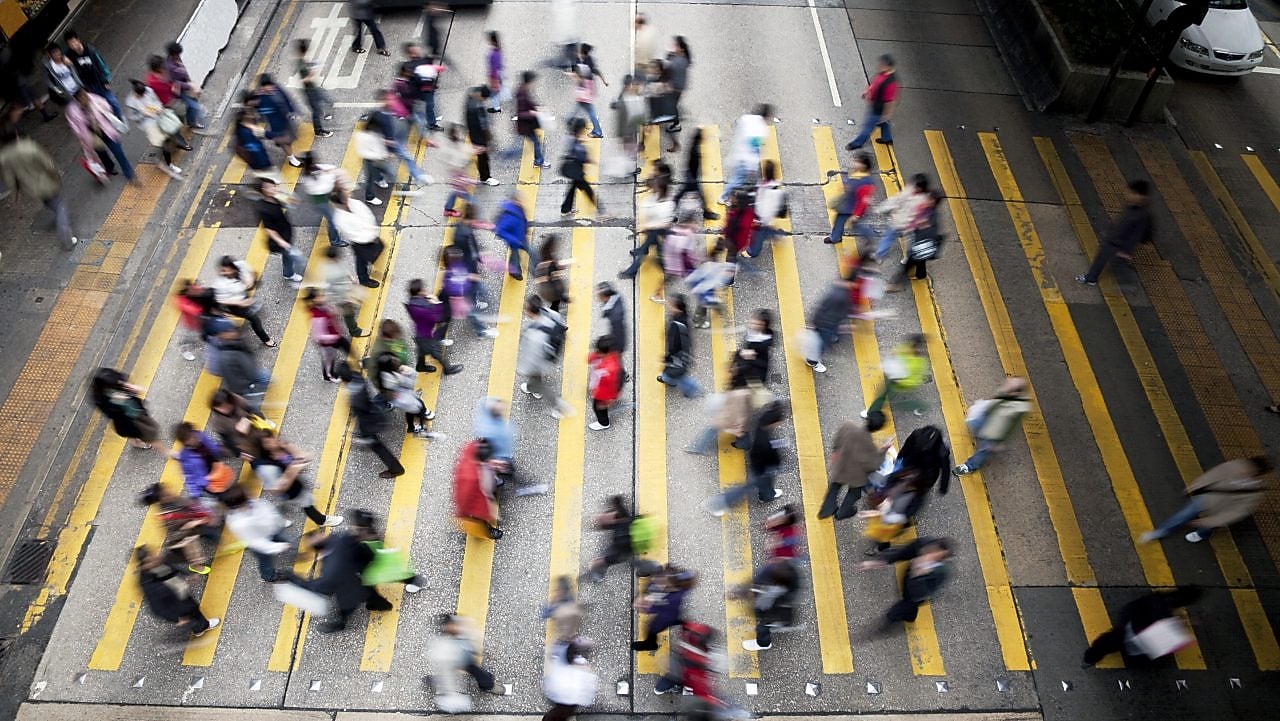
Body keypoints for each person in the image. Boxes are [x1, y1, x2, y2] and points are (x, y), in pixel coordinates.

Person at [293, 509, 394, 633]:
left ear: (316, 550)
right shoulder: (339, 538)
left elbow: (322, 586)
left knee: (346, 608)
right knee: (372, 596)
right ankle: (382, 606)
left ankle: (340, 624)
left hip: (351, 589)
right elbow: (361, 548)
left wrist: (294, 579)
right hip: (362, 575)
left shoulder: (329, 568)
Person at [1140, 457, 1271, 544]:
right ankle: (1161, 531)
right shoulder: (1234, 466)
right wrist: (1195, 486)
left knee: (1208, 526)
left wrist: (1211, 521)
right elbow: (1212, 476)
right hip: (1207, 498)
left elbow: (1236, 512)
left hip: (1221, 510)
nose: (1244, 469)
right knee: (1183, 515)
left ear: (1257, 473)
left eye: (1249, 469)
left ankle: (1202, 534)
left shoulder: (1254, 493)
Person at [1081, 587, 1202, 667]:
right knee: (1114, 644)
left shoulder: (1157, 603)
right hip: (1139, 635)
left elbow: (1142, 605)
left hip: (1132, 626)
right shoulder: (1163, 614)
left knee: (1108, 642)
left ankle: (1091, 657)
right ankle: (1092, 656)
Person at [706, 401, 786, 516]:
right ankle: (718, 503)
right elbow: (770, 455)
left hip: (757, 461)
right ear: (774, 422)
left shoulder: (761, 422)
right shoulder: (766, 441)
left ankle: (767, 495)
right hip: (762, 467)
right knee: (747, 487)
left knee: (763, 483)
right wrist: (777, 464)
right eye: (779, 421)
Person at [0, 130, 76, 248]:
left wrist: (16, 193)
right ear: (16, 135)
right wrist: (56, 174)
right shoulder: (29, 146)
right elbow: (47, 164)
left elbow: (9, 178)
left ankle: (60, 216)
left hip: (30, 188)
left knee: (50, 201)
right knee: (60, 205)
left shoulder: (3, 157)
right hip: (46, 182)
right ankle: (66, 237)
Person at [252, 431, 344, 528]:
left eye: (272, 438)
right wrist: (292, 470)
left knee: (306, 497)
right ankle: (322, 521)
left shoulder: (279, 446)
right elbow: (277, 489)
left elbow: (300, 456)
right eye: (268, 442)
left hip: (296, 480)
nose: (273, 441)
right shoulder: (267, 467)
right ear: (262, 447)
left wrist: (294, 454)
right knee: (307, 502)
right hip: (291, 490)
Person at [858, 536, 952, 628]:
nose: (929, 554)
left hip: (916, 595)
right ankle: (910, 616)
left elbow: (924, 593)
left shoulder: (941, 572)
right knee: (908, 603)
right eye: (932, 550)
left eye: (936, 554)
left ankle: (891, 620)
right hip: (907, 582)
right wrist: (878, 562)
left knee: (896, 612)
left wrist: (918, 573)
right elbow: (902, 553)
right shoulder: (922, 544)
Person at [1075, 179, 1154, 286]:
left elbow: (1135, 236)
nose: (1128, 195)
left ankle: (1093, 278)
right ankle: (1091, 278)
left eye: (1132, 193)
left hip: (1118, 243)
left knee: (1109, 260)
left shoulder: (1141, 215)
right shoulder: (1132, 206)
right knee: (1102, 258)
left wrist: (1126, 251)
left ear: (1141, 197)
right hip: (1114, 239)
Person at [953, 378, 1031, 476]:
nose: (1005, 386)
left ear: (1015, 393)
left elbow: (1009, 427)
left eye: (1009, 386)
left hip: (994, 432)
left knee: (983, 449)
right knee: (973, 424)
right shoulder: (1007, 392)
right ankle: (979, 435)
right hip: (987, 418)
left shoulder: (1018, 409)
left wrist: (999, 442)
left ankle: (969, 466)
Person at [338, 363, 404, 479]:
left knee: (377, 446)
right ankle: (364, 440)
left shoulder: (356, 398)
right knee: (372, 442)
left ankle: (396, 468)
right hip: (373, 414)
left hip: (370, 422)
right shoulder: (357, 376)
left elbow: (361, 410)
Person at [135, 545, 219, 636]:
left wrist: (187, 575)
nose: (156, 558)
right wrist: (176, 619)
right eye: (151, 559)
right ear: (145, 565)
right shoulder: (148, 583)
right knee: (192, 612)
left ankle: (199, 626)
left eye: (153, 555)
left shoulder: (157, 563)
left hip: (179, 592)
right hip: (175, 603)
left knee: (193, 607)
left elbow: (173, 569)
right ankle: (201, 628)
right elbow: (157, 609)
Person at [819, 410, 887, 520]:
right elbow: (873, 465)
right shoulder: (870, 446)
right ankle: (842, 512)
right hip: (856, 475)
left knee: (834, 487)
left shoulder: (848, 426)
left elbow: (836, 441)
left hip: (841, 465)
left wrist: (835, 452)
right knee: (854, 493)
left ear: (867, 419)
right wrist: (883, 450)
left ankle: (826, 510)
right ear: (878, 429)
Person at [372, 323, 439, 436]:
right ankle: (420, 414)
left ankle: (417, 416)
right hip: (394, 389)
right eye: (394, 336)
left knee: (411, 403)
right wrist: (390, 393)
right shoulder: (382, 357)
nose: (397, 338)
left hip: (396, 384)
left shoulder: (392, 352)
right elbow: (380, 378)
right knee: (411, 403)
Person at [140, 483, 216, 575]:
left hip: (190, 526)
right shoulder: (168, 514)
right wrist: (196, 522)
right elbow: (180, 533)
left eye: (165, 490)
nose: (167, 492)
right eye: (164, 493)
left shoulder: (171, 500)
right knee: (192, 551)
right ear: (161, 498)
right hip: (182, 538)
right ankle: (195, 566)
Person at [222, 483, 291, 582]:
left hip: (271, 530)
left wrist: (279, 522)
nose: (249, 495)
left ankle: (286, 548)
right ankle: (268, 576)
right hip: (261, 540)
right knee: (264, 559)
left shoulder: (251, 503)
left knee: (281, 540)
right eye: (246, 495)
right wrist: (278, 547)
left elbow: (267, 509)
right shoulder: (239, 523)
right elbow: (257, 543)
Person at [685, 359, 755, 456]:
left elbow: (738, 411)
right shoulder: (747, 386)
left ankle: (697, 447)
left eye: (735, 368)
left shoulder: (739, 393)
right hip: (739, 414)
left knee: (712, 428)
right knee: (742, 432)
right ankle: (744, 444)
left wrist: (738, 426)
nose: (732, 369)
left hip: (731, 416)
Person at [429, 614, 497, 712]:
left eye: (453, 625)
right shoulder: (444, 646)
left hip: (466, 660)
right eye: (450, 627)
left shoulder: (463, 626)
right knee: (447, 679)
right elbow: (446, 669)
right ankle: (487, 684)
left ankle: (487, 684)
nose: (454, 628)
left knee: (477, 672)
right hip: (453, 662)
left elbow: (473, 637)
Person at [518, 296, 572, 418]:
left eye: (526, 309)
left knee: (538, 383)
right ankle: (533, 388)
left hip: (540, 362)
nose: (524, 310)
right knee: (535, 379)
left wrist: (523, 370)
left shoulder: (534, 334)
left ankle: (557, 406)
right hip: (552, 352)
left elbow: (532, 358)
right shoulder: (551, 313)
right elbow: (560, 325)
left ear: (531, 312)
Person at [66, 88, 133, 183]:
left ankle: (129, 173)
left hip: (104, 128)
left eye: (85, 94)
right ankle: (109, 167)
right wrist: (81, 136)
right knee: (101, 151)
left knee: (118, 150)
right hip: (90, 134)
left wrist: (104, 109)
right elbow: (74, 126)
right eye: (82, 97)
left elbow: (107, 105)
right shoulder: (72, 110)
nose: (86, 97)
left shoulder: (94, 98)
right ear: (77, 99)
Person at [125, 79, 188, 179]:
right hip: (149, 125)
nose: (143, 96)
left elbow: (156, 101)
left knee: (167, 138)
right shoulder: (130, 102)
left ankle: (164, 156)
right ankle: (169, 164)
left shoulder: (148, 90)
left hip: (159, 118)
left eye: (144, 93)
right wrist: (143, 114)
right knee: (164, 142)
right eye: (140, 95)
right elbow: (133, 117)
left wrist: (158, 108)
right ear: (136, 93)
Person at [618, 173, 675, 280]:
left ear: (661, 189)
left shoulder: (668, 204)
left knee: (653, 252)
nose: (652, 189)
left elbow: (666, 223)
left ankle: (632, 271)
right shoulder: (656, 196)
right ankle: (666, 268)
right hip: (652, 230)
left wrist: (647, 225)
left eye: (655, 188)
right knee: (657, 250)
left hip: (659, 231)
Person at [210, 254, 275, 346]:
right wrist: (240, 303)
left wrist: (251, 280)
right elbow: (220, 300)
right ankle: (266, 340)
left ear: (232, 267)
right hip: (236, 305)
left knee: (252, 304)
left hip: (243, 295)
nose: (223, 273)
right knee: (255, 319)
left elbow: (250, 271)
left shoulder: (240, 265)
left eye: (225, 270)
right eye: (222, 270)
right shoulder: (220, 283)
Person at [887, 188, 945, 291]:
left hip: (920, 246)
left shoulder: (932, 216)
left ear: (934, 202)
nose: (927, 199)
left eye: (930, 199)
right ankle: (921, 275)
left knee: (907, 266)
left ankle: (896, 284)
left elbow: (929, 232)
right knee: (920, 261)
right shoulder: (928, 210)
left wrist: (921, 225)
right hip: (922, 246)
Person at [740, 555, 802, 651]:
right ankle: (774, 624)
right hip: (774, 605)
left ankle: (763, 643)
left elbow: (760, 588)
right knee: (766, 618)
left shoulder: (777, 591)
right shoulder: (790, 575)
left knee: (763, 627)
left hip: (773, 611)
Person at [585, 495, 652, 581]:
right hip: (640, 533)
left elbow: (613, 558)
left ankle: (599, 575)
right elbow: (618, 503)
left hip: (629, 546)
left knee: (628, 559)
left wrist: (595, 562)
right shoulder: (623, 516)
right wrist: (616, 502)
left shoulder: (620, 541)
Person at [90, 367, 159, 450]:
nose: (119, 382)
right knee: (134, 432)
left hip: (133, 410)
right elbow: (110, 414)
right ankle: (136, 443)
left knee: (135, 431)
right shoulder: (101, 399)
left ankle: (135, 440)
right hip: (126, 419)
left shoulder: (115, 380)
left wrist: (129, 388)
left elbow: (124, 382)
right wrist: (117, 401)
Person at [330, 186, 385, 288]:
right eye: (345, 193)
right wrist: (370, 236)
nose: (348, 193)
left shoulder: (355, 203)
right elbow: (353, 234)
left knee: (378, 249)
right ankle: (363, 279)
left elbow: (368, 215)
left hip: (371, 235)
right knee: (361, 260)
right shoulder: (340, 218)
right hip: (360, 242)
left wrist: (373, 232)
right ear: (342, 200)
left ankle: (370, 263)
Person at [406, 277, 463, 375]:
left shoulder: (412, 302)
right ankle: (448, 369)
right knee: (436, 351)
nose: (425, 290)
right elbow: (438, 318)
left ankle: (420, 366)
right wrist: (437, 303)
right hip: (426, 335)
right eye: (423, 289)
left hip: (419, 332)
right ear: (419, 292)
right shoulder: (422, 307)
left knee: (422, 350)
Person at [631, 565, 695, 652]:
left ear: (672, 587)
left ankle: (650, 644)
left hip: (666, 617)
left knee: (653, 628)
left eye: (663, 581)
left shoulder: (672, 599)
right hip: (672, 612)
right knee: (677, 618)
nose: (655, 579)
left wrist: (644, 607)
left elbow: (657, 608)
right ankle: (685, 624)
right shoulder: (674, 583)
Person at [864, 334, 930, 416]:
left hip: (900, 383)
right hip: (894, 376)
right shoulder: (908, 347)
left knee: (892, 402)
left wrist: (901, 381)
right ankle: (872, 411)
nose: (914, 348)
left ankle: (919, 405)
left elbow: (914, 381)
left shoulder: (919, 363)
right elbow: (897, 352)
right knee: (883, 396)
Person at [255, 177, 305, 284]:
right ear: (263, 190)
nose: (272, 188)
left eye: (273, 186)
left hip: (285, 231)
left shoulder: (274, 198)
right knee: (288, 256)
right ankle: (288, 274)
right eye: (269, 187)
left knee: (287, 255)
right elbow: (269, 229)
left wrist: (283, 194)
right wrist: (281, 242)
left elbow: (293, 203)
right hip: (281, 238)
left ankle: (288, 271)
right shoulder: (263, 208)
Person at [872, 173, 931, 262]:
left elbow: (920, 215)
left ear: (922, 188)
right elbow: (896, 200)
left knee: (909, 244)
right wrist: (882, 208)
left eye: (917, 186)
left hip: (909, 226)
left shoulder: (924, 200)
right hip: (897, 221)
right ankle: (879, 255)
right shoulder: (909, 190)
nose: (915, 188)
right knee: (887, 237)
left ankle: (908, 258)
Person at [63, 30, 122, 119]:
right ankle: (109, 121)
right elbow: (63, 61)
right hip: (88, 86)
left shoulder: (90, 50)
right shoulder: (70, 55)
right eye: (70, 45)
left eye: (74, 43)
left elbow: (101, 65)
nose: (73, 46)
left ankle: (120, 118)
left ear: (78, 40)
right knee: (99, 107)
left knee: (112, 101)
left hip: (100, 82)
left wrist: (106, 80)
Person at [846, 54, 899, 150]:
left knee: (867, 127)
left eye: (881, 64)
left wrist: (887, 114)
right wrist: (867, 91)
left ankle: (857, 143)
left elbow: (889, 101)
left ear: (887, 66)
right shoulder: (882, 73)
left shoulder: (891, 83)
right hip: (875, 104)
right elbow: (875, 83)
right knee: (883, 122)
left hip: (879, 108)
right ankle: (887, 138)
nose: (879, 66)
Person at [721, 104, 772, 203]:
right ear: (767, 116)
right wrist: (752, 165)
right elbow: (753, 148)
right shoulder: (761, 129)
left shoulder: (747, 118)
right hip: (745, 159)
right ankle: (724, 197)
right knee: (738, 179)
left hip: (738, 152)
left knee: (741, 179)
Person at [803, 276, 854, 373]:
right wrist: (813, 322)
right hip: (827, 324)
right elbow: (823, 309)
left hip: (829, 323)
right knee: (821, 343)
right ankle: (812, 361)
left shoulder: (838, 291)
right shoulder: (839, 295)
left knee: (823, 339)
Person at [453, 439, 502, 539]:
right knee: (482, 518)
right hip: (478, 500)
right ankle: (488, 530)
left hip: (484, 484)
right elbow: (464, 496)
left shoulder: (472, 449)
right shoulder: (470, 478)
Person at [304, 287, 353, 382]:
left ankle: (357, 360)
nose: (323, 297)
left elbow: (331, 313)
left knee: (347, 347)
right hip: (328, 344)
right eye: (320, 296)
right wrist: (333, 337)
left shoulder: (322, 305)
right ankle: (329, 376)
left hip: (336, 335)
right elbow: (318, 337)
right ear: (314, 299)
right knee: (329, 360)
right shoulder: (316, 317)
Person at [542, 639, 597, 721]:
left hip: (560, 697)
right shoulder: (580, 667)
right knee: (560, 714)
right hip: (567, 700)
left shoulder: (560, 654)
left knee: (557, 714)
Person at [657, 295, 701, 398]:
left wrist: (667, 357)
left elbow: (673, 346)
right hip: (682, 354)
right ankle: (670, 379)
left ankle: (692, 389)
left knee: (678, 375)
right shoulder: (682, 318)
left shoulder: (677, 325)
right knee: (677, 374)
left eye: (672, 305)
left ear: (678, 308)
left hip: (678, 357)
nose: (669, 306)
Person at [827, 152, 876, 245]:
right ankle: (835, 238)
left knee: (847, 223)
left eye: (858, 162)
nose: (854, 163)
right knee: (841, 223)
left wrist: (856, 215)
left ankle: (835, 238)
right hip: (847, 204)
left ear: (864, 166)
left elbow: (863, 202)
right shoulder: (856, 173)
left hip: (852, 208)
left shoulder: (865, 183)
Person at [319, 246, 367, 336]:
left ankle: (351, 307)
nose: (340, 256)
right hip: (342, 296)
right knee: (349, 314)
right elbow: (329, 289)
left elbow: (344, 268)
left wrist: (351, 277)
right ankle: (354, 331)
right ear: (333, 257)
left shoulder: (337, 261)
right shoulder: (329, 273)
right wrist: (335, 301)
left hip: (348, 289)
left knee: (356, 300)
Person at [255, 74, 301, 168]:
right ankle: (292, 159)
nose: (269, 88)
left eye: (270, 85)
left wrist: (292, 111)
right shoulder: (261, 99)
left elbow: (287, 99)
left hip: (286, 119)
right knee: (285, 142)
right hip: (276, 124)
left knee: (290, 138)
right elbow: (263, 112)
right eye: (266, 86)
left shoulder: (277, 88)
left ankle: (283, 144)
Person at [744, 161, 785, 262]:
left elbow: (767, 210)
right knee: (765, 230)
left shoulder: (773, 191)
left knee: (758, 235)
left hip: (762, 218)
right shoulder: (766, 183)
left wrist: (759, 222)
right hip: (761, 216)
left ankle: (752, 251)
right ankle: (776, 235)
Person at [293, 39, 334, 137]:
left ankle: (328, 109)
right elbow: (303, 80)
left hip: (312, 88)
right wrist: (312, 72)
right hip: (309, 91)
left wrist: (311, 66)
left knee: (325, 99)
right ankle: (318, 131)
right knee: (316, 110)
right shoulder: (300, 64)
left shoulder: (301, 61)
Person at [559, 117, 597, 216]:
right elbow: (582, 157)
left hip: (575, 170)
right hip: (576, 171)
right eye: (584, 129)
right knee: (588, 190)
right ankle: (601, 211)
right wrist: (590, 160)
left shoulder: (571, 137)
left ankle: (565, 209)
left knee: (572, 189)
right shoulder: (576, 143)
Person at [164, 42, 205, 130]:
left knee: (193, 101)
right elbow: (174, 83)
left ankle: (191, 120)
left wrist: (189, 80)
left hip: (185, 85)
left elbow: (183, 70)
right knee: (194, 106)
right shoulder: (169, 67)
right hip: (179, 90)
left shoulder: (176, 59)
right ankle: (192, 123)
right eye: (178, 54)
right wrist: (189, 86)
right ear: (173, 54)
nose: (179, 56)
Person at [515, 71, 551, 169]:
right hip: (525, 126)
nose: (535, 84)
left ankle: (538, 161)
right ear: (529, 82)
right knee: (522, 147)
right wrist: (533, 113)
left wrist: (537, 108)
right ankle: (538, 162)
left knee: (535, 142)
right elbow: (520, 113)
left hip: (528, 125)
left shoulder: (524, 90)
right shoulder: (522, 94)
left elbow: (528, 104)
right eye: (533, 82)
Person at [495, 191, 534, 280]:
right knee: (515, 257)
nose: (521, 202)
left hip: (521, 237)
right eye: (519, 200)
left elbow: (523, 219)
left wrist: (525, 229)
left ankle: (536, 269)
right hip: (514, 241)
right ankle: (514, 272)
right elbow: (500, 231)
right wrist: (513, 240)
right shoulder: (508, 216)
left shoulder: (519, 208)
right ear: (514, 200)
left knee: (532, 252)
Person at [587, 337, 622, 431]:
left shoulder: (609, 369)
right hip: (600, 389)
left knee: (598, 408)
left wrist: (609, 400)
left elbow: (612, 386)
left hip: (603, 394)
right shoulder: (611, 356)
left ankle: (604, 423)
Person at [464, 86, 498, 186]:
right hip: (478, 136)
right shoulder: (477, 108)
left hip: (473, 133)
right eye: (484, 99)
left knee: (480, 155)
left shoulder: (470, 95)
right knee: (483, 157)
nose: (484, 101)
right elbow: (484, 126)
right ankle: (485, 177)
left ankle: (484, 175)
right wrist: (489, 139)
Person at [571, 45, 606, 138]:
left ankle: (597, 131)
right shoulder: (588, 59)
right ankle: (570, 120)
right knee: (584, 108)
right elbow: (596, 71)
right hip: (587, 89)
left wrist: (572, 75)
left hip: (585, 90)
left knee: (589, 110)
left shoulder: (583, 62)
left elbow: (580, 78)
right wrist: (604, 81)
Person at [233, 107, 273, 173]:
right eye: (250, 115)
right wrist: (264, 164)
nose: (253, 116)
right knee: (268, 181)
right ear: (245, 118)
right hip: (259, 162)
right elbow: (255, 149)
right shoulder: (246, 133)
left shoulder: (245, 129)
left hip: (256, 161)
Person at [596, 281, 628, 353]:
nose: (597, 296)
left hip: (616, 346)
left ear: (605, 297)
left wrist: (615, 349)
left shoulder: (615, 317)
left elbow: (618, 334)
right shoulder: (615, 296)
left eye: (599, 295)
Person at [486, 31, 505, 113]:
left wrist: (491, 78)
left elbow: (494, 67)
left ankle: (496, 108)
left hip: (494, 76)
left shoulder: (493, 53)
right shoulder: (498, 49)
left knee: (494, 92)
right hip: (498, 74)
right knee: (496, 91)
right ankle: (497, 106)